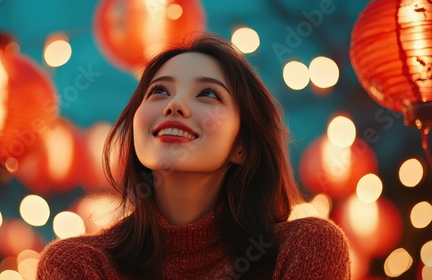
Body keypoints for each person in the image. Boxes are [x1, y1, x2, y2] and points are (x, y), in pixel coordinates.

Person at [36, 32, 351, 280]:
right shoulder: (79, 264)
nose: (174, 105)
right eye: (159, 91)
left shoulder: (303, 248)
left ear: (242, 146)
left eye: (208, 94)